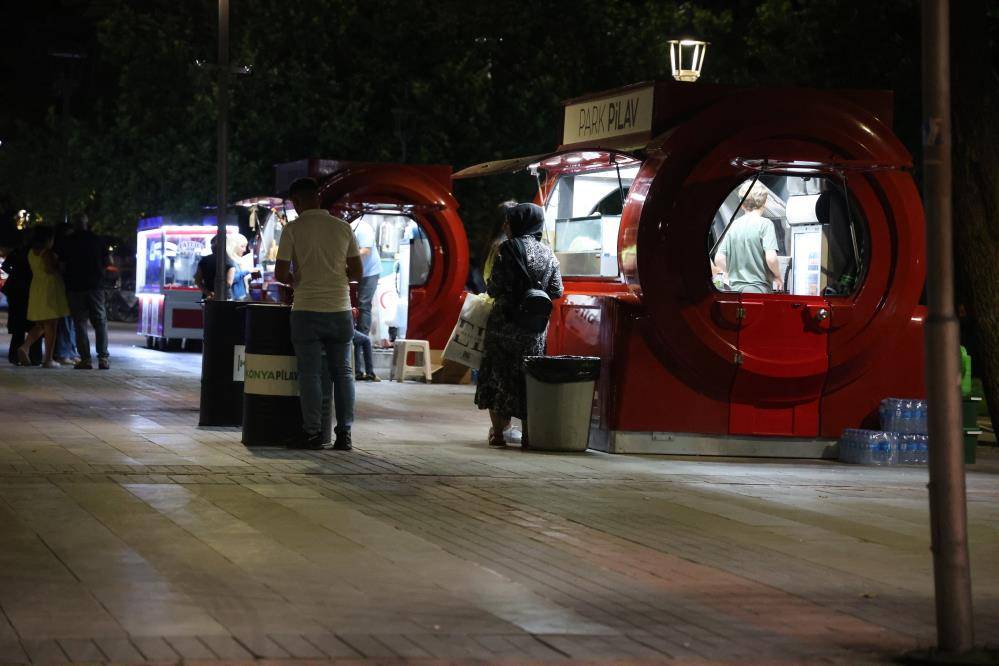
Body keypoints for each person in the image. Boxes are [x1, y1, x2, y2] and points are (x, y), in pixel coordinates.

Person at [275, 177, 363, 451]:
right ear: (318, 198)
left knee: (310, 375)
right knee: (343, 373)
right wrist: (337, 278)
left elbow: (280, 273)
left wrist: (297, 280)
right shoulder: (343, 227)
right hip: (339, 309)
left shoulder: (292, 229)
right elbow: (358, 272)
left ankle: (312, 433)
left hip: (306, 311)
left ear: (298, 201)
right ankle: (345, 434)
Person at [474, 203, 563, 448]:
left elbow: (494, 287)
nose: (505, 225)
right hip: (534, 327)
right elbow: (556, 290)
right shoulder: (548, 253)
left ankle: (499, 435)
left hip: (505, 324)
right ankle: (528, 435)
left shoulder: (508, 249)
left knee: (499, 375)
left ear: (517, 222)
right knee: (528, 379)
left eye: (509, 221)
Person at [713, 181, 783, 293]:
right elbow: (771, 258)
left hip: (735, 291)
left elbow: (719, 258)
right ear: (765, 202)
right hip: (758, 291)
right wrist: (778, 276)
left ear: (742, 204)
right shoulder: (765, 224)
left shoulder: (734, 225)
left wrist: (729, 273)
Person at [62, 213, 111, 370]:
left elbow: (61, 265)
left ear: (75, 224)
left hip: (75, 288)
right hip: (96, 287)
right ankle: (103, 359)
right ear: (87, 223)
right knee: (100, 322)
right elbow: (108, 261)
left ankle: (86, 359)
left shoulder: (68, 242)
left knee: (80, 324)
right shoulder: (98, 240)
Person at [18, 226, 71, 368]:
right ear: (47, 239)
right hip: (50, 289)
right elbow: (50, 270)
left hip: (37, 288)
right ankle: (48, 359)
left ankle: (25, 347)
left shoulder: (31, 253)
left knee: (41, 325)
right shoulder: (46, 253)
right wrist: (59, 266)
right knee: (51, 325)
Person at [1, 234, 43, 365]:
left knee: (18, 328)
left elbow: (5, 267)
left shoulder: (17, 252)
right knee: (34, 324)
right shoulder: (38, 253)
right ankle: (35, 357)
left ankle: (15, 356)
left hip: (17, 292)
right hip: (33, 290)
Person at [53, 224, 80, 365]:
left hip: (67, 287)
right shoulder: (61, 250)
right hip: (65, 288)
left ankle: (70, 352)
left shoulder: (62, 249)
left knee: (70, 321)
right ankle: (64, 353)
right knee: (66, 321)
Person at [350, 217, 381, 337]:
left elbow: (365, 250)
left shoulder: (363, 228)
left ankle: (363, 338)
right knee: (350, 304)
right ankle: (353, 335)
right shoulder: (345, 227)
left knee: (363, 304)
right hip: (355, 271)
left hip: (369, 272)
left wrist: (343, 255)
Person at [194, 235, 236, 300]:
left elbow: (197, 280)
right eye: (212, 244)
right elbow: (228, 283)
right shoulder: (229, 261)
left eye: (213, 244)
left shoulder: (204, 260)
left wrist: (209, 293)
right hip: (225, 298)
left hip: (208, 298)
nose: (212, 246)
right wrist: (217, 294)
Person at [226, 233, 257, 301]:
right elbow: (232, 279)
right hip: (236, 298)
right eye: (242, 246)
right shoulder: (230, 261)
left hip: (240, 297)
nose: (245, 250)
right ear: (234, 246)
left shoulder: (235, 260)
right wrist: (248, 271)